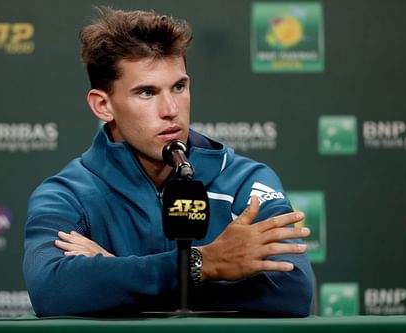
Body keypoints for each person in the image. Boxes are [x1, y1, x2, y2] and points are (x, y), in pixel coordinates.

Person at [23, 6, 314, 317]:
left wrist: (114, 275)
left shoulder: (246, 181)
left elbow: (292, 290)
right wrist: (206, 265)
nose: (171, 109)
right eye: (147, 93)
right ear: (103, 105)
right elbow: (52, 291)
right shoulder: (68, 195)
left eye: (179, 87)